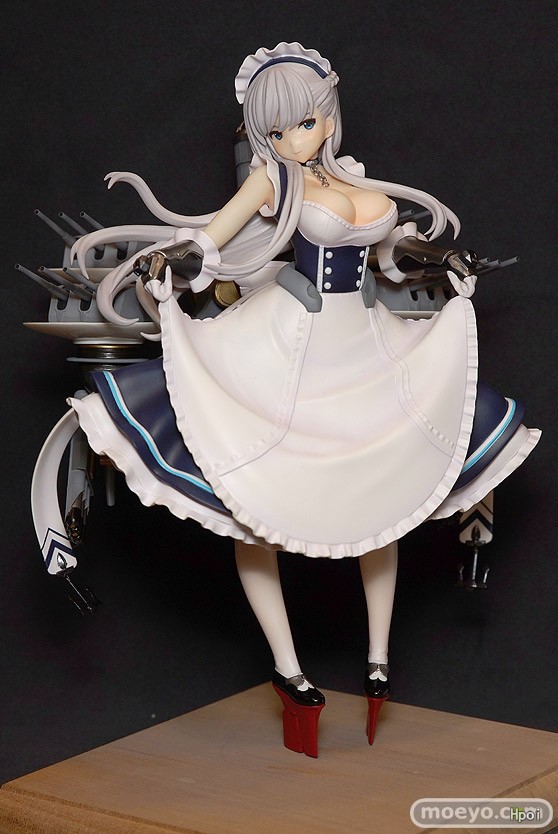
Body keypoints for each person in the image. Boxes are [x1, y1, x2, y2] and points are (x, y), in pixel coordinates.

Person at [69, 42, 540, 757]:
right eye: (280, 128)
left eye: (308, 120)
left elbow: (390, 252)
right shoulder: (272, 181)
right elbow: (210, 241)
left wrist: (439, 258)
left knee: (388, 489)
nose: (297, 137)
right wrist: (168, 262)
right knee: (251, 501)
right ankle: (290, 671)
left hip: (366, 339)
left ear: (328, 113)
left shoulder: (352, 175)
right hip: (291, 341)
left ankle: (379, 662)